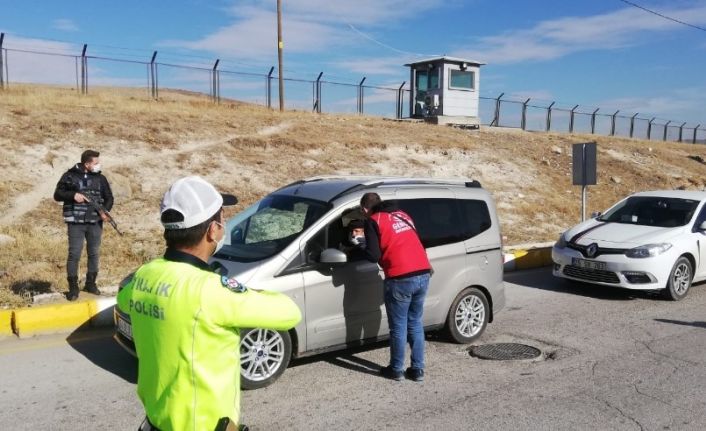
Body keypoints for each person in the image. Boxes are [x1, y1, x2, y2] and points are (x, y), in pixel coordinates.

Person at [117, 175, 301, 431]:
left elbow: (124, 301)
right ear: (213, 230)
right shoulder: (209, 291)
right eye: (222, 219)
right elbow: (288, 313)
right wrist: (240, 291)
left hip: (155, 420)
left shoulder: (145, 275)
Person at [360, 192, 431, 382]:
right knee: (415, 322)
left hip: (400, 277)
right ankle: (417, 370)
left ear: (364, 209)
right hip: (423, 273)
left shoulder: (373, 220)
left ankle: (396, 369)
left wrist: (359, 249)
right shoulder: (403, 215)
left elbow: (373, 255)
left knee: (398, 327)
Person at [53, 149, 114, 300]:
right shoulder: (70, 176)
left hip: (95, 221)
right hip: (75, 222)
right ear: (87, 164)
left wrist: (104, 212)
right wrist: (73, 195)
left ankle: (91, 284)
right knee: (74, 254)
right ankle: (73, 288)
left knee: (94, 253)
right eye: (96, 163)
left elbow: (109, 197)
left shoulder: (101, 179)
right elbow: (57, 194)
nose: (98, 165)